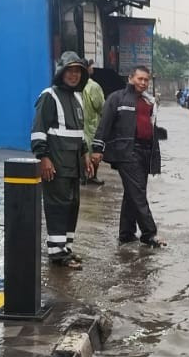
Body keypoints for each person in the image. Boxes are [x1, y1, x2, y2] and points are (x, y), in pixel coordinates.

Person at [91, 65, 166, 248]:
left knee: (132, 193)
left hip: (146, 152)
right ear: (130, 78)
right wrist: (97, 148)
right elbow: (104, 124)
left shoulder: (149, 101)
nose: (143, 82)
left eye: (146, 80)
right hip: (126, 152)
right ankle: (149, 233)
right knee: (138, 193)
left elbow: (150, 127)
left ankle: (126, 233)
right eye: (140, 79)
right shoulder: (117, 98)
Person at [30, 52, 94, 269]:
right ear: (61, 72)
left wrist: (85, 155)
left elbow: (79, 133)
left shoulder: (77, 98)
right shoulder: (49, 96)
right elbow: (38, 131)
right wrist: (43, 158)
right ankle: (57, 253)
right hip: (55, 164)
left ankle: (65, 248)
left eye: (78, 71)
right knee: (57, 206)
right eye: (70, 71)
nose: (74, 75)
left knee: (72, 205)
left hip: (74, 164)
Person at [81, 59, 106, 186]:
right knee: (94, 152)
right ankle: (92, 176)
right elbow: (101, 106)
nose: (93, 68)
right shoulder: (93, 86)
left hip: (79, 126)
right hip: (91, 126)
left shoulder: (75, 85)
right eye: (91, 66)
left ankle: (82, 177)